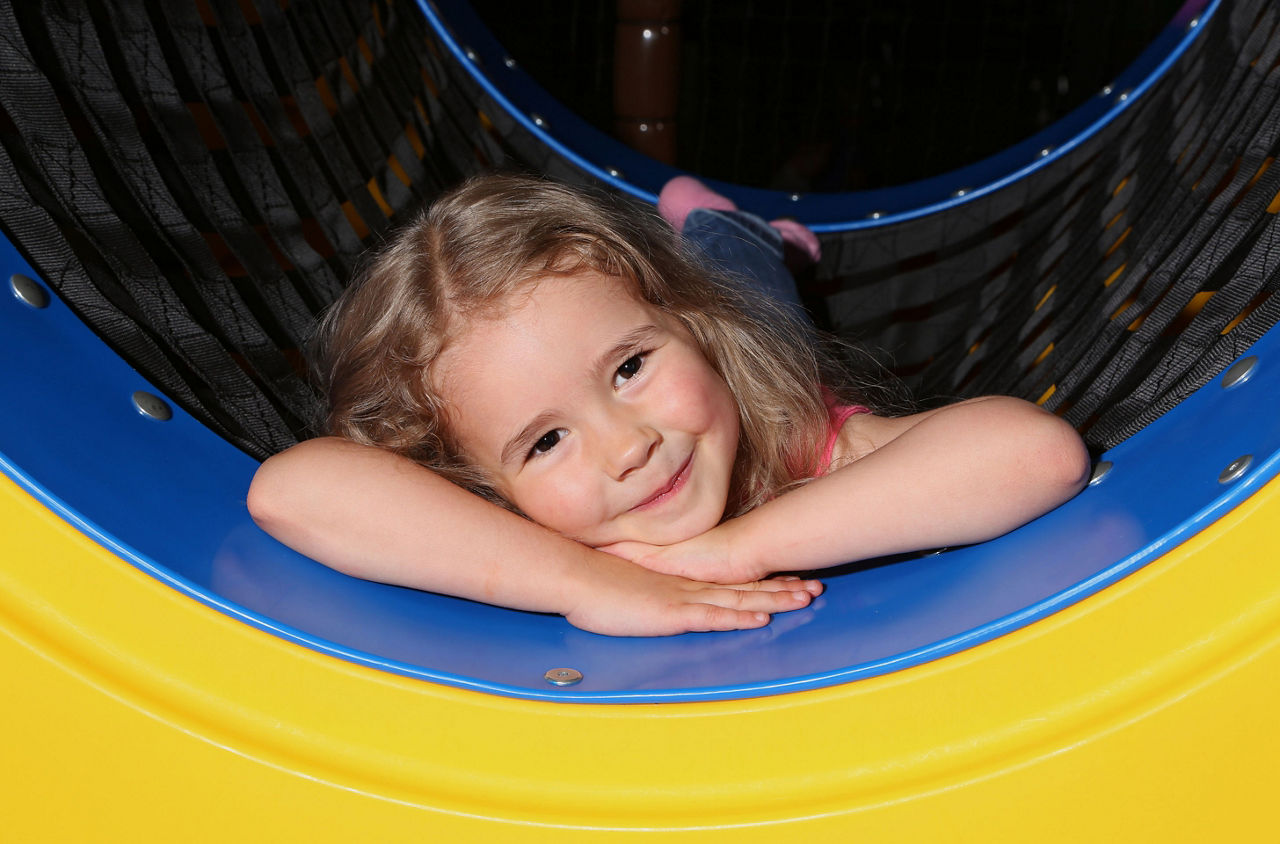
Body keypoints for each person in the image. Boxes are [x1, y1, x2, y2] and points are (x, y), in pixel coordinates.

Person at [247, 173, 1090, 637]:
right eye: (545, 443)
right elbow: (291, 490)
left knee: (751, 289)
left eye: (629, 368)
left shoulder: (800, 438)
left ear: (685, 333)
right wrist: (580, 582)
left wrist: (736, 549)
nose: (629, 447)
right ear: (477, 480)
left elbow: (1036, 455)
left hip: (759, 342)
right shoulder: (499, 516)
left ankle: (730, 226)